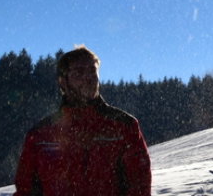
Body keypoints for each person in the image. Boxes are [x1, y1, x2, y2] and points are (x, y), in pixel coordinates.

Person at [14, 45, 152, 196]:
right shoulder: (40, 135)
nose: (89, 77)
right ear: (63, 82)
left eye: (93, 71)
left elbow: (139, 186)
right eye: (79, 72)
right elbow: (25, 189)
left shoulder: (124, 126)